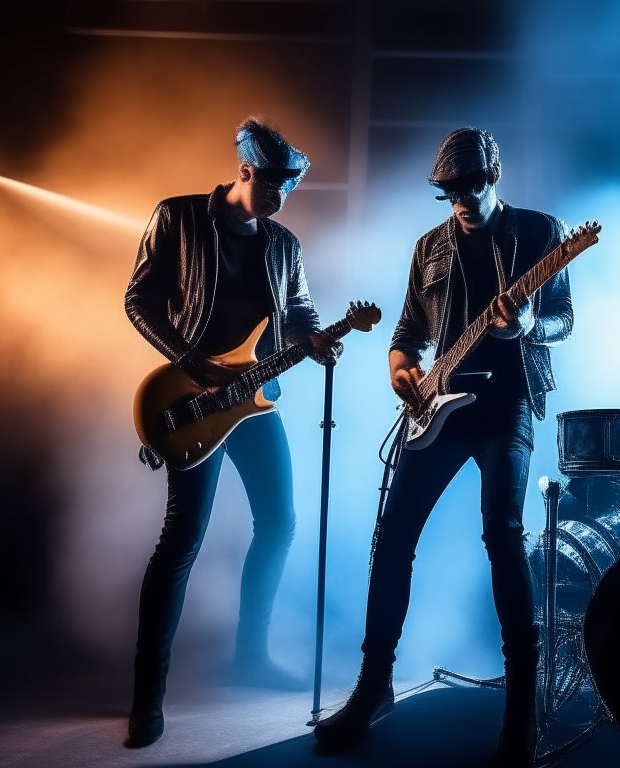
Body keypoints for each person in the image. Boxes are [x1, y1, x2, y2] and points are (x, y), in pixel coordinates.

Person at [313, 127, 572, 768]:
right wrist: (401, 369)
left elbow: (564, 318)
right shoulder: (428, 246)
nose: (462, 197)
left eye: (472, 184)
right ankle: (375, 687)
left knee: (503, 536)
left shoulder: (542, 233)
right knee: (392, 532)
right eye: (450, 190)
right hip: (440, 408)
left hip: (507, 405)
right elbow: (407, 330)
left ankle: (521, 699)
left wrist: (530, 322)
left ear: (495, 175)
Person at [123, 119, 341, 748]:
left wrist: (319, 342)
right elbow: (139, 300)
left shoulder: (284, 243)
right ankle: (147, 699)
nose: (280, 196)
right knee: (181, 541)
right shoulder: (179, 217)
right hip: (194, 397)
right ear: (246, 171)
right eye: (273, 183)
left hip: (255, 403)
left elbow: (300, 313)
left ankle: (252, 657)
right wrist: (190, 364)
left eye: (290, 187)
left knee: (280, 523)